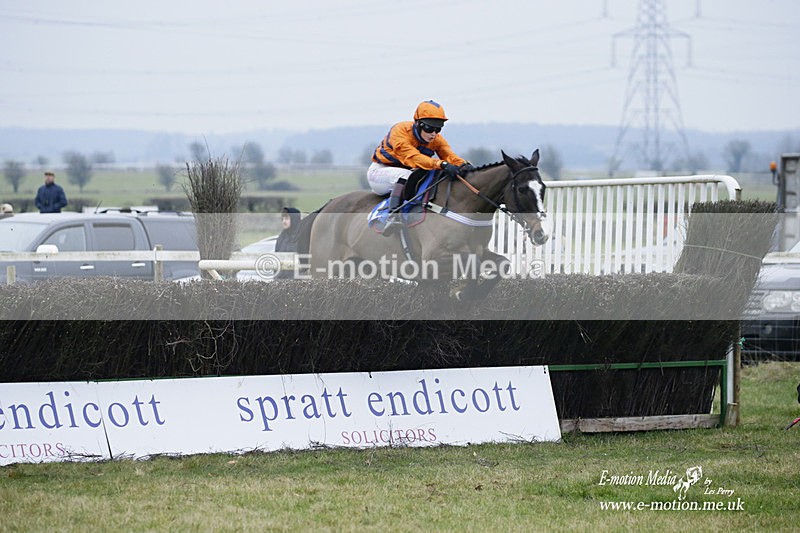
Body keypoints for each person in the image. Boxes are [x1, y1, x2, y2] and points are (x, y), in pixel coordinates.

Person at [368, 100, 474, 236]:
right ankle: (391, 216)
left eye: (438, 129)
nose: (434, 134)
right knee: (405, 175)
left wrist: (465, 166)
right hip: (379, 172)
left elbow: (450, 156)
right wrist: (440, 164)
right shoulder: (400, 131)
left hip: (407, 172)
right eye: (430, 128)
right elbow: (413, 157)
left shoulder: (436, 139)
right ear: (418, 124)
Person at [274, 206, 302, 279]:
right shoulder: (281, 238)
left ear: (294, 219)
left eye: (286, 219)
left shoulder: (302, 237)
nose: (284, 221)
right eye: (282, 219)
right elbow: (276, 259)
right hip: (280, 282)